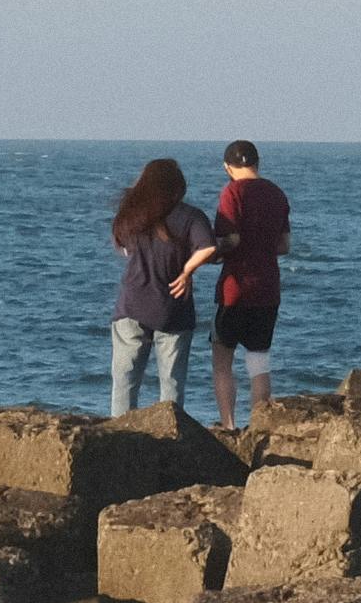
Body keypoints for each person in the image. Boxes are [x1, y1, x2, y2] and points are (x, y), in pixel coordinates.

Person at [201, 138, 292, 424]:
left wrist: (211, 254)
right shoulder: (277, 193)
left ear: (226, 167)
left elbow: (231, 239)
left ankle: (229, 425)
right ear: (257, 163)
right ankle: (259, 424)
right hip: (267, 288)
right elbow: (284, 245)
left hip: (235, 289)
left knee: (222, 363)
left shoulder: (232, 192)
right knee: (259, 362)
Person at [105, 157, 202, 415]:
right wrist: (187, 271)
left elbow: (125, 249)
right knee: (172, 381)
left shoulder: (131, 214)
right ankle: (171, 429)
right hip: (174, 306)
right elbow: (209, 248)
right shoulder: (189, 216)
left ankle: (121, 429)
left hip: (132, 304)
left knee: (125, 379)